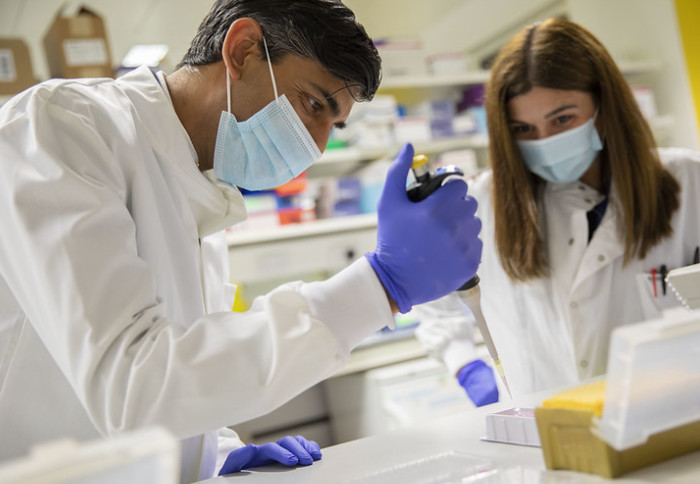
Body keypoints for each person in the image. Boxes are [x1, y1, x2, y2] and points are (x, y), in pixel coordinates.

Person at [0, 1, 482, 482]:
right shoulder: (62, 127)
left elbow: (185, 360)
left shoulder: (204, 186)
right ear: (243, 49)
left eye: (332, 126)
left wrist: (214, 448)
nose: (316, 147)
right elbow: (132, 386)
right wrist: (377, 287)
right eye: (314, 104)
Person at [415, 18, 700, 400]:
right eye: (523, 129)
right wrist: (466, 364)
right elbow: (433, 296)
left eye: (563, 118)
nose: (545, 141)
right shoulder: (482, 203)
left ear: (604, 105)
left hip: (672, 419)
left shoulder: (688, 181)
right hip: (548, 433)